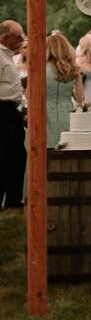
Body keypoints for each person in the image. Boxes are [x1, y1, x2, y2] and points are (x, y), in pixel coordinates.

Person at [0, 20, 25, 209]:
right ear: (5, 38)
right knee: (8, 157)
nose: (22, 40)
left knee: (17, 156)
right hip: (3, 112)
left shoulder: (7, 56)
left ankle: (13, 201)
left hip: (12, 112)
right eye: (18, 37)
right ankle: (11, 201)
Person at [45, 32, 83, 148]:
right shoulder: (73, 70)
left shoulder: (40, 69)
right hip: (67, 112)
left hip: (44, 113)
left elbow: (28, 95)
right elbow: (81, 98)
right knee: (67, 149)